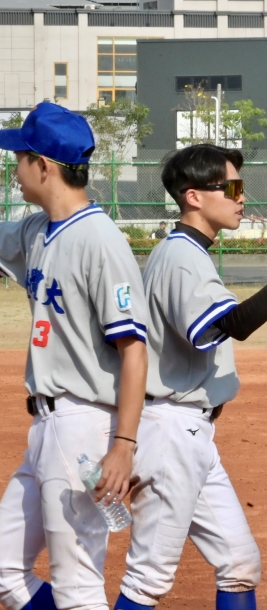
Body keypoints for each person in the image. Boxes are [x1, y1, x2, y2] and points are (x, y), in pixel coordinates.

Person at [113, 144, 267, 610]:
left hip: (191, 433)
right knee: (147, 581)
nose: (241, 198)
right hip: (171, 431)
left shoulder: (187, 252)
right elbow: (232, 326)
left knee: (239, 565)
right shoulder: (181, 256)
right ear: (193, 196)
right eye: (231, 187)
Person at [0, 102, 149, 610]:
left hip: (83, 425)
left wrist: (123, 445)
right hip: (45, 424)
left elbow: (133, 349)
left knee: (77, 583)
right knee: (5, 571)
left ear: (43, 165)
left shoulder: (99, 240)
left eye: (18, 158)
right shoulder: (36, 231)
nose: (13, 171)